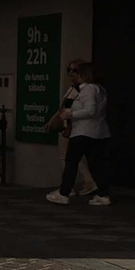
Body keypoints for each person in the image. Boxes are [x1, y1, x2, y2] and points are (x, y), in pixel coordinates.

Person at [47, 60, 112, 206]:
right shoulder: (100, 89)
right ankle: (103, 194)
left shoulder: (88, 89)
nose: (73, 74)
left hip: (83, 132)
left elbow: (90, 110)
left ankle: (64, 193)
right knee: (96, 164)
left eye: (78, 72)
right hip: (98, 132)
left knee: (71, 162)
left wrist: (70, 113)